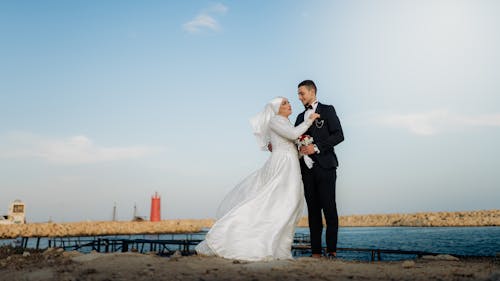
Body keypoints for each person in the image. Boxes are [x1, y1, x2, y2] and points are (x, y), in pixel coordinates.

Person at [195, 97, 320, 261]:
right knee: (280, 203)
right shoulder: (275, 121)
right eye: (284, 103)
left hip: (291, 165)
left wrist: (301, 151)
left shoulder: (286, 122)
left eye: (289, 102)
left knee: (291, 205)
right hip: (282, 165)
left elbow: (290, 144)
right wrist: (309, 120)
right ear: (276, 109)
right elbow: (293, 134)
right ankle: (252, 243)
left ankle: (280, 250)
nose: (289, 105)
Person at [294, 80, 344, 259]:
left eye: (302, 93)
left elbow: (339, 135)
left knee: (329, 209)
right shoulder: (300, 117)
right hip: (306, 170)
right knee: (313, 211)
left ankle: (331, 251)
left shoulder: (327, 110)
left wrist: (315, 147)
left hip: (326, 166)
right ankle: (315, 252)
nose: (299, 97)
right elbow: (294, 139)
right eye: (298, 94)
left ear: (312, 91)